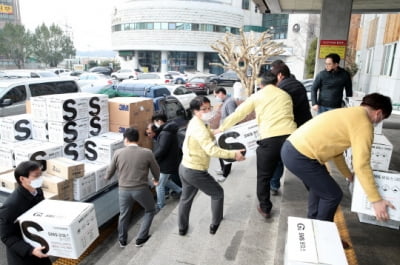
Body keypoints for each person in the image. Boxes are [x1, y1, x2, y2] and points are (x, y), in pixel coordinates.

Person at [281, 93, 394, 222]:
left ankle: (312, 223)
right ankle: (322, 233)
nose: (378, 122)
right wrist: (376, 200)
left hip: (292, 148)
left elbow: (337, 153)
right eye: (382, 118)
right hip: (301, 156)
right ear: (378, 113)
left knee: (319, 188)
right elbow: (362, 165)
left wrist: (348, 175)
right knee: (332, 195)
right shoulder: (364, 124)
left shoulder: (349, 113)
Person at [216, 71, 297, 218]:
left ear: (261, 84)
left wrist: (221, 128)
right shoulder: (285, 95)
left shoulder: (258, 95)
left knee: (263, 176)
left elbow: (238, 114)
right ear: (276, 82)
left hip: (270, 139)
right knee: (301, 169)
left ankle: (265, 208)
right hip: (292, 138)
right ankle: (317, 194)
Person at [178, 96, 245, 236]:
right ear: (195, 111)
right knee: (217, 193)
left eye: (209, 108)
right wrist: (233, 154)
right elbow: (211, 150)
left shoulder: (198, 122)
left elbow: (208, 133)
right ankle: (215, 224)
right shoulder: (199, 127)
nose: (208, 111)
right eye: (204, 109)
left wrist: (217, 131)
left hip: (185, 166)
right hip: (195, 170)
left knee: (186, 199)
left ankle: (182, 228)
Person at [105, 127, 160, 248]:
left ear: (126, 140)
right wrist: (156, 179)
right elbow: (156, 169)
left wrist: (106, 177)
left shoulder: (118, 153)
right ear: (137, 139)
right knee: (150, 209)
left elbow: (110, 172)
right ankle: (141, 238)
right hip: (141, 189)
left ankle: (122, 240)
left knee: (124, 214)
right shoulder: (147, 152)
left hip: (123, 190)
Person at [269, 61, 313, 195]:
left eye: (274, 76)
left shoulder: (283, 88)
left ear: (280, 75)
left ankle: (274, 184)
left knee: (280, 157)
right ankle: (311, 184)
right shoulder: (296, 84)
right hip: (303, 126)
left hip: (291, 128)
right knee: (303, 155)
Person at [0, 161, 52, 265]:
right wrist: (30, 250)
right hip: (24, 256)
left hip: (39, 245)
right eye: (36, 176)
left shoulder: (38, 191)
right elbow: (6, 236)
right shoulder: (11, 205)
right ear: (22, 179)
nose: (40, 179)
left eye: (40, 175)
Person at [152, 113, 182, 210]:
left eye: (155, 122)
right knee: (166, 181)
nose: (154, 124)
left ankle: (160, 205)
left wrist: (153, 157)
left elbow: (162, 149)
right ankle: (180, 190)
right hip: (169, 161)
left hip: (166, 163)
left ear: (159, 121)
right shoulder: (168, 130)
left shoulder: (165, 133)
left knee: (159, 185)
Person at [214, 87, 238, 182]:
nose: (216, 97)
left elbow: (233, 117)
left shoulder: (230, 102)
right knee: (221, 152)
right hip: (223, 131)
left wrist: (228, 131)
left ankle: (225, 174)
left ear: (221, 93)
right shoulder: (226, 101)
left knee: (225, 153)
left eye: (216, 95)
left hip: (227, 132)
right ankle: (222, 169)